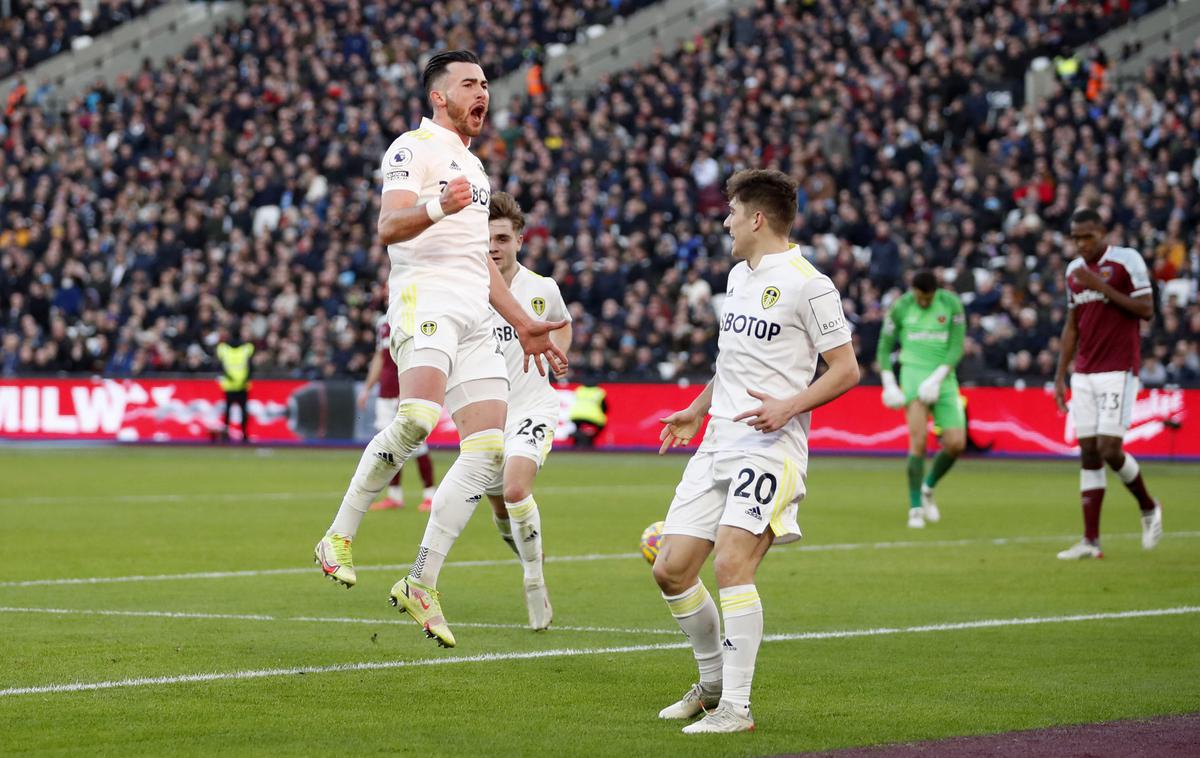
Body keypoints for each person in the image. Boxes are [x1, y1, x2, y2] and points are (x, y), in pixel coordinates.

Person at [313, 50, 567, 650]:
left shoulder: (476, 171)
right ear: (439, 96)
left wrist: (525, 324)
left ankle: (420, 580)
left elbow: (484, 265)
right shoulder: (413, 148)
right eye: (470, 84)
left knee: (486, 452)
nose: (483, 93)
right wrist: (436, 206)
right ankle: (338, 535)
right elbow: (388, 225)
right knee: (419, 419)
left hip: (477, 314)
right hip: (425, 300)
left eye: (485, 84)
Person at [654, 169, 860, 734]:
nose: (725, 223)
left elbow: (846, 369)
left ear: (757, 218)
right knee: (670, 570)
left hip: (770, 447)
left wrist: (790, 405)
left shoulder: (809, 284)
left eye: (732, 213)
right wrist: (699, 408)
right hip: (718, 439)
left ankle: (736, 709)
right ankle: (713, 683)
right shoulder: (738, 278)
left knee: (731, 564)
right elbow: (733, 363)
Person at [482, 191, 573, 631]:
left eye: (501, 238)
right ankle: (532, 555)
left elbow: (562, 322)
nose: (493, 248)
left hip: (533, 404)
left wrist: (558, 356)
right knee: (500, 507)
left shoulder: (542, 289)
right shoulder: (469, 291)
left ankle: (534, 580)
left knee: (517, 491)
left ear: (519, 239)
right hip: (485, 418)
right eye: (486, 240)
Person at [1054, 208, 1162, 560]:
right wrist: (1060, 374)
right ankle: (1091, 541)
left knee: (1109, 449)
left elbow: (1146, 309)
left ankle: (1148, 507)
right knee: (1088, 453)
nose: (1082, 243)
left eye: (1088, 236)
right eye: (1076, 238)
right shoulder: (1073, 271)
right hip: (1084, 372)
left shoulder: (1126, 260)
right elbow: (1073, 324)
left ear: (1103, 232)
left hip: (1118, 368)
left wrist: (1101, 286)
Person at [875, 269, 967, 528]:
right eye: (920, 298)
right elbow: (884, 347)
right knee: (919, 441)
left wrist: (937, 378)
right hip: (913, 374)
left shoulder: (951, 304)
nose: (923, 302)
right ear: (913, 291)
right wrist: (889, 382)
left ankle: (928, 487)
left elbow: (956, 346)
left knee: (956, 443)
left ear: (935, 292)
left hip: (943, 376)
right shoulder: (901, 306)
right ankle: (915, 507)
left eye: (927, 298)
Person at [356, 311, 437, 512]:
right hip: (385, 393)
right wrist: (367, 388)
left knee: (418, 445)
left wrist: (412, 388)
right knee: (387, 445)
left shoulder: (415, 317)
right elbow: (380, 357)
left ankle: (430, 495)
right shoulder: (383, 322)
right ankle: (394, 496)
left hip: (408, 391)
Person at [216, 324, 254, 443]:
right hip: (242, 384)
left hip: (229, 385)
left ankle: (225, 434)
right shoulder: (247, 348)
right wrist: (245, 378)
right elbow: (250, 367)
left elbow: (221, 366)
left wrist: (230, 377)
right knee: (243, 410)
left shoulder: (223, 348)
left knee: (228, 410)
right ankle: (244, 434)